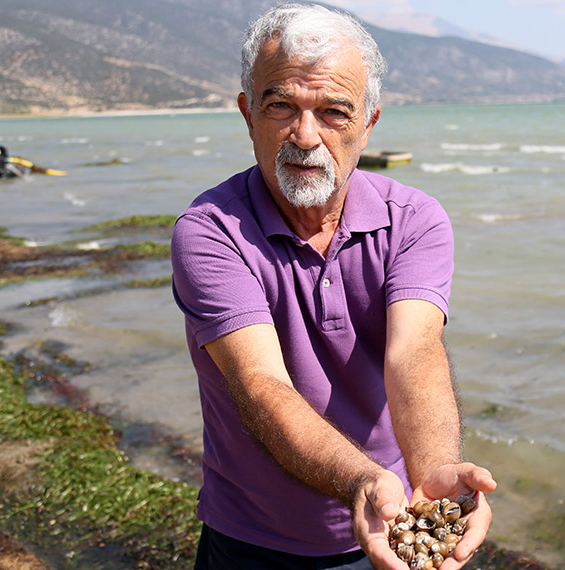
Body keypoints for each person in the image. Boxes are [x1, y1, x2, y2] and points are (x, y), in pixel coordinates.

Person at [170, 4, 496, 569]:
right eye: (280, 106)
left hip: (392, 520)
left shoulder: (414, 220)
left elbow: (414, 351)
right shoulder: (210, 232)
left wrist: (435, 471)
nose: (305, 136)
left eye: (334, 112)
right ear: (248, 113)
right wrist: (362, 479)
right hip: (251, 538)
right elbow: (260, 384)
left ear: (368, 123)